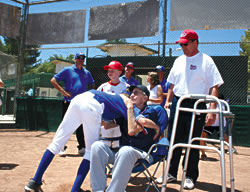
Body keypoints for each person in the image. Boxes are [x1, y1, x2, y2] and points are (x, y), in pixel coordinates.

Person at [24, 88, 157, 192]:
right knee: (90, 151)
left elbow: (106, 123)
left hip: (79, 98)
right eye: (132, 94)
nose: (132, 96)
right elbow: (139, 122)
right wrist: (157, 127)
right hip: (93, 105)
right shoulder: (129, 106)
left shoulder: (115, 98)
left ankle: (35, 181)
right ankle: (75, 189)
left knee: (57, 143)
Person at [164, 29, 224, 190]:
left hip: (197, 104)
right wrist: (168, 101)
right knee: (174, 139)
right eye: (181, 44)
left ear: (195, 42)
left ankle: (190, 176)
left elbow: (214, 86)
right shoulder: (178, 61)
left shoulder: (206, 60)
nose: (182, 47)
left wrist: (211, 110)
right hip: (178, 102)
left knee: (193, 141)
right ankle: (171, 173)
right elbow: (172, 85)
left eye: (185, 44)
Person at [90, 85, 168, 192]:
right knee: (97, 146)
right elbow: (107, 125)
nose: (132, 95)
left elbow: (133, 130)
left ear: (145, 98)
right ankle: (97, 190)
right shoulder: (124, 111)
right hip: (120, 152)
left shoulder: (151, 112)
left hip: (142, 154)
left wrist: (130, 108)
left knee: (126, 151)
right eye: (131, 93)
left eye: (136, 93)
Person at [50, 52, 95, 156]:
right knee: (65, 125)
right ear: (75, 59)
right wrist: (63, 92)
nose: (81, 60)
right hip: (69, 102)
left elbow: (92, 84)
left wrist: (89, 94)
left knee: (81, 126)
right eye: (79, 58)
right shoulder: (67, 70)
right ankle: (61, 147)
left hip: (82, 103)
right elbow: (53, 80)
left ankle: (81, 147)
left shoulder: (86, 72)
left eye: (83, 58)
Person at [97, 60, 128, 148]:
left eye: (112, 70)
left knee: (118, 145)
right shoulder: (103, 87)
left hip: (120, 121)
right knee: (105, 144)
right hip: (106, 120)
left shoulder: (126, 87)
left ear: (119, 72)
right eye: (108, 70)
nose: (110, 72)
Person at [200, 93, 237, 160]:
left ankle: (232, 148)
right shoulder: (208, 105)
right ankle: (203, 154)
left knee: (225, 136)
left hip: (220, 124)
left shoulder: (222, 106)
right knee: (202, 135)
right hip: (210, 124)